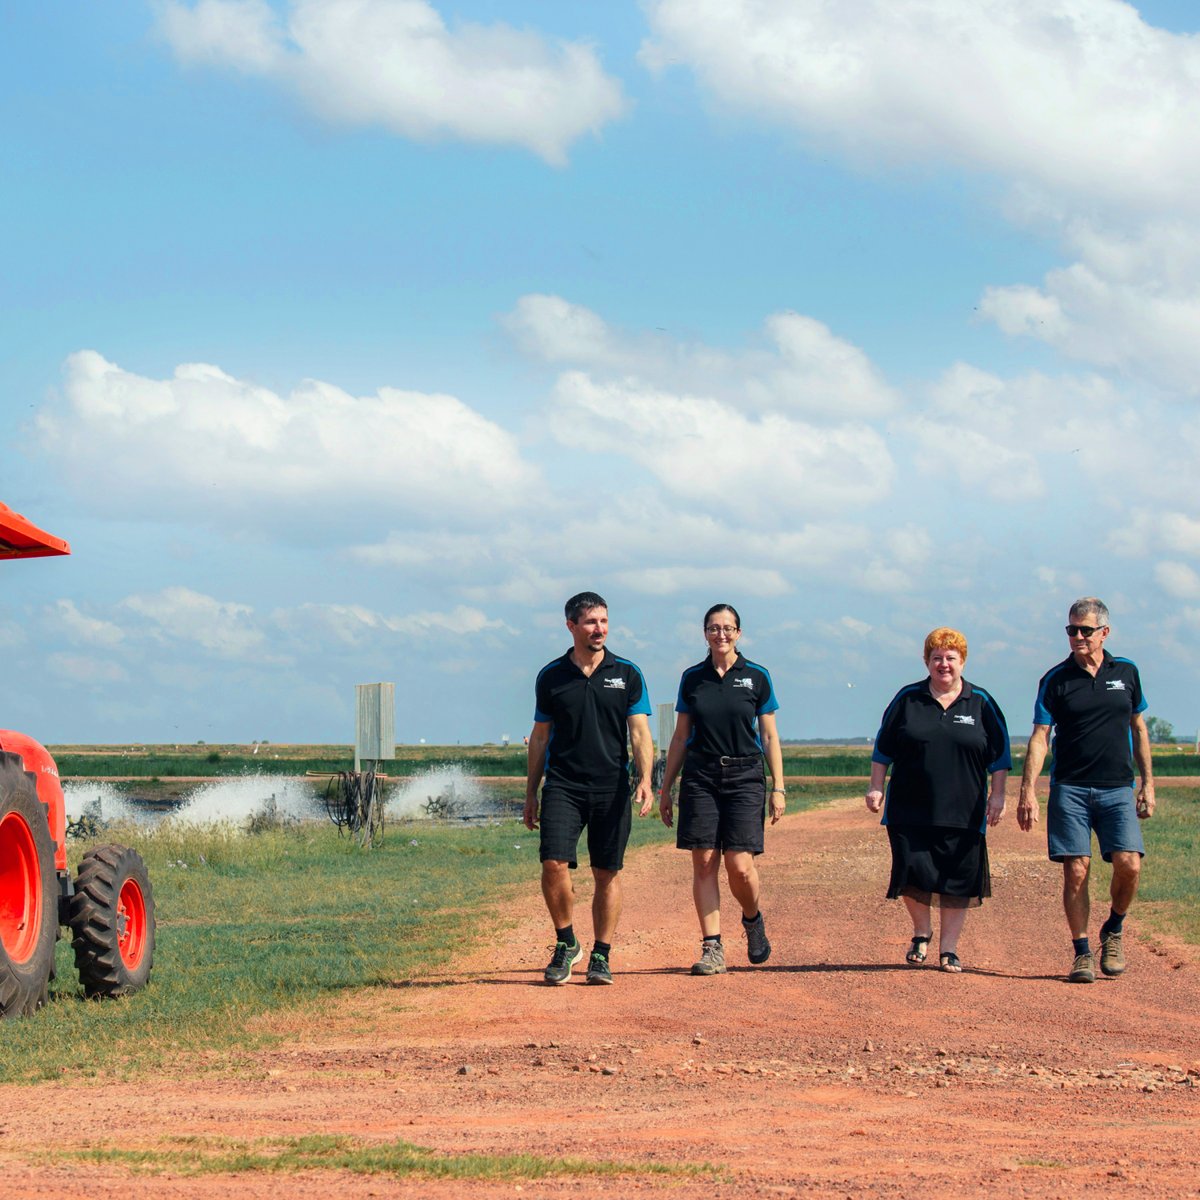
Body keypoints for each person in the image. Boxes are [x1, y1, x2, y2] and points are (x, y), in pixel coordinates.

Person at [1016, 598, 1155, 984]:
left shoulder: (1126, 672)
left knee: (1130, 864)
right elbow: (1041, 736)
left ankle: (1113, 928)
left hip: (1117, 789)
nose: (1077, 636)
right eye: (1071, 630)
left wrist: (1148, 784)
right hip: (1070, 789)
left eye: (1085, 630)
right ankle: (1081, 953)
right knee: (1076, 871)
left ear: (1104, 633)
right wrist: (1028, 790)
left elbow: (1139, 728)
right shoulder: (1055, 679)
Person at [525, 591, 654, 986]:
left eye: (603, 621)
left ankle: (601, 954)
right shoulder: (551, 676)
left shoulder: (627, 673)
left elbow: (640, 732)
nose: (599, 629)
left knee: (606, 872)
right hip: (564, 784)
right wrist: (531, 793)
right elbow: (540, 737)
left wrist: (646, 779)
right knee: (553, 863)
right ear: (571, 626)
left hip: (611, 785)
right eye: (591, 622)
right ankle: (566, 943)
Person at [866, 628, 1010, 973]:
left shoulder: (981, 702)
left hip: (964, 809)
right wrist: (876, 787)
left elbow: (1000, 756)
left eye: (950, 658)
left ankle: (949, 949)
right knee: (910, 870)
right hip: (909, 808)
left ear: (962, 661)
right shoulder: (908, 699)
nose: (943, 664)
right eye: (936, 658)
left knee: (957, 879)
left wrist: (999, 794)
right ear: (926, 661)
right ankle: (921, 931)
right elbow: (882, 750)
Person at [658, 604, 784, 976]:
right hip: (701, 775)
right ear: (705, 634)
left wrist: (779, 786)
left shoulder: (757, 677)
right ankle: (712, 947)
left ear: (739, 634)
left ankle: (752, 919)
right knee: (704, 861)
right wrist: (666, 788)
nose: (721, 635)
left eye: (728, 628)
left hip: (746, 774)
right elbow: (680, 735)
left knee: (739, 866)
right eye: (714, 628)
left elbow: (770, 734)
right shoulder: (692, 678)